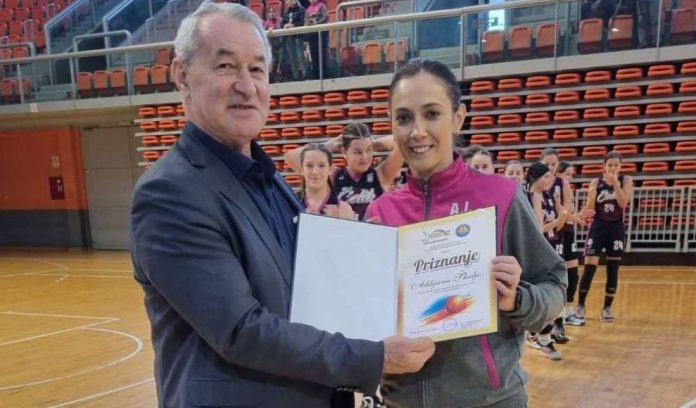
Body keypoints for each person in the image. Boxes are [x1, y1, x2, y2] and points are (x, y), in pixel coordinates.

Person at [129, 3, 435, 407]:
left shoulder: (268, 179)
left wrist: (383, 264)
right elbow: (242, 331)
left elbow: (308, 285)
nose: (246, 85)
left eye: (257, 69)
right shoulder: (170, 194)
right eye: (225, 66)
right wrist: (374, 357)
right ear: (182, 76)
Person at [366, 58, 567, 408]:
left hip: (491, 400)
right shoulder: (380, 213)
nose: (417, 131)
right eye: (404, 118)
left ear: (458, 117)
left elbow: (555, 287)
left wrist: (516, 299)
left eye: (432, 114)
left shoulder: (502, 196)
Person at [285, 122, 404, 221]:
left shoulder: (381, 174)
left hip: (371, 238)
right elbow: (291, 157)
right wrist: (327, 146)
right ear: (344, 152)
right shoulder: (334, 174)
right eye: (357, 152)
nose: (365, 157)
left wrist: (374, 144)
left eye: (369, 150)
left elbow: (403, 142)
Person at [567, 151, 634, 325]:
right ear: (604, 166)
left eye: (616, 165)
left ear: (620, 166)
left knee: (613, 268)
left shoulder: (626, 180)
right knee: (589, 267)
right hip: (598, 227)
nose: (612, 168)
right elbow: (591, 207)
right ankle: (581, 305)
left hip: (616, 228)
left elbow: (623, 203)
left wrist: (616, 184)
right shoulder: (595, 183)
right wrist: (582, 212)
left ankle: (607, 308)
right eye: (609, 165)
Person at [523, 162, 569, 360]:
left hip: (551, 248)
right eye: (546, 177)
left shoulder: (548, 197)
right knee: (542, 297)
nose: (550, 180)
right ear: (536, 178)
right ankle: (543, 340)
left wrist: (564, 217)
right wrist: (558, 220)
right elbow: (539, 230)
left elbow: (554, 228)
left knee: (552, 295)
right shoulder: (530, 196)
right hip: (535, 253)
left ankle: (542, 336)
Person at [540, 148, 575, 343]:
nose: (550, 167)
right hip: (540, 238)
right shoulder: (535, 187)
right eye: (547, 164)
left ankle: (558, 323)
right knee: (541, 282)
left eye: (554, 164)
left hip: (557, 236)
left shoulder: (562, 184)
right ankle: (540, 329)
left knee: (560, 280)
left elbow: (564, 215)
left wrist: (561, 212)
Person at [298, 143, 354, 219]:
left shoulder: (343, 209)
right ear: (302, 169)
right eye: (309, 166)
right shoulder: (290, 204)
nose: (315, 172)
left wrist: (336, 221)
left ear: (330, 169)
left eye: (321, 166)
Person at [282, 0, 306, 81]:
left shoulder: (301, 10)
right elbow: (283, 22)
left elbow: (302, 22)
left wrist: (293, 25)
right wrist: (285, 25)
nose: (287, 3)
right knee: (292, 57)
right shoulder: (286, 12)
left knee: (300, 56)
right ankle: (295, 76)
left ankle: (304, 74)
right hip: (289, 36)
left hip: (298, 36)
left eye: (288, 1)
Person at [304, 0, 329, 79]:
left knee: (322, 55)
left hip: (321, 34)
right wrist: (308, 23)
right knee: (314, 56)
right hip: (312, 35)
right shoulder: (308, 9)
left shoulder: (322, 6)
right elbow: (305, 21)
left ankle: (324, 76)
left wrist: (317, 23)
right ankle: (316, 76)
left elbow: (325, 17)